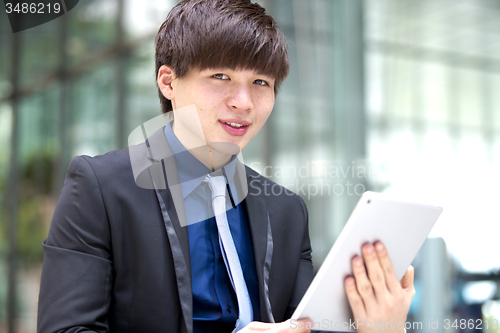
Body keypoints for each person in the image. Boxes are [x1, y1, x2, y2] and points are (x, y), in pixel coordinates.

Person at [37, 0, 415, 332]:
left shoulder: (286, 211)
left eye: (261, 82)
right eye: (220, 76)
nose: (243, 101)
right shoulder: (101, 188)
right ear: (168, 82)